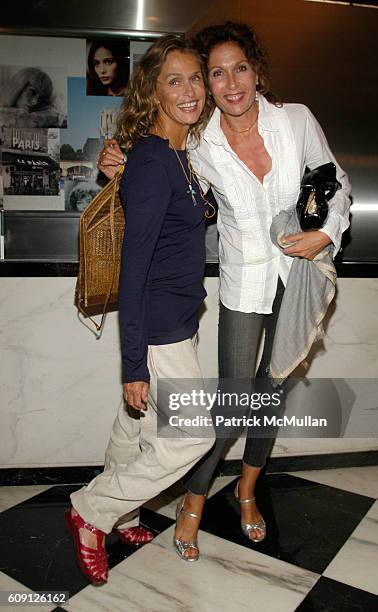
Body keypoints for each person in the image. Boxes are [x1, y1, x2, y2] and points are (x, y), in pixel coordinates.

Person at [98, 21, 351, 561]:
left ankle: (246, 490)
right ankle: (193, 501)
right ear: (207, 84)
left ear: (256, 70)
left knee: (271, 395)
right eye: (216, 73)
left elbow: (336, 179)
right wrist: (113, 158)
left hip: (299, 281)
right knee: (231, 402)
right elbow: (151, 150)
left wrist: (326, 232)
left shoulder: (296, 121)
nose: (229, 82)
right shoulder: (200, 139)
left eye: (239, 67)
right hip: (243, 285)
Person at [66, 34, 216, 584]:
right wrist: (133, 363)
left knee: (143, 427)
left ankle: (124, 509)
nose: (191, 90)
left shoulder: (177, 156)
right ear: (153, 92)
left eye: (196, 77)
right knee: (194, 436)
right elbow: (134, 270)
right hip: (160, 326)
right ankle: (92, 510)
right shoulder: (155, 160)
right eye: (174, 80)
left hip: (178, 319)